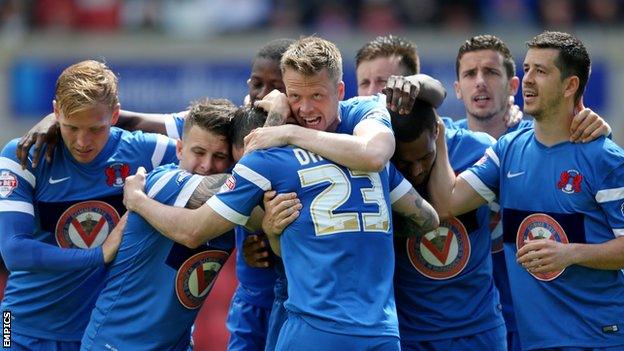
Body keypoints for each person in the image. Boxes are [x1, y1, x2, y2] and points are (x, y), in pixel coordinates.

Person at [122, 105, 439, 350]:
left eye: (220, 157)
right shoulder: (359, 154)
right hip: (356, 323)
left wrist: (136, 200)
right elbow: (427, 219)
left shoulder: (271, 160)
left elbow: (195, 230)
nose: (208, 166)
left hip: (300, 313)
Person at [429, 31, 624, 350]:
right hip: (536, 340)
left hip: (600, 336)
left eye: (542, 71)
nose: (529, 80)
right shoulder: (508, 150)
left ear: (570, 86)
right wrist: (436, 135)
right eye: (528, 69)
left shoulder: (603, 157)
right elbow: (449, 201)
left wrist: (570, 253)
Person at [0, 60, 179, 350]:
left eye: (96, 129)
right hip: (17, 327)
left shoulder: (145, 151)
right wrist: (99, 255)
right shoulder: (25, 154)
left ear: (116, 114)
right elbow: (14, 251)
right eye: (71, 127)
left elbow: (209, 136)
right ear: (56, 111)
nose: (83, 141)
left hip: (97, 336)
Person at [81, 99, 237, 350]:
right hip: (116, 344)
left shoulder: (232, 207)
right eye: (198, 152)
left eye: (219, 156)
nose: (207, 166)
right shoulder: (161, 183)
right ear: (179, 149)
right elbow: (192, 232)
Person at [388, 100, 507, 350]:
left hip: (480, 330)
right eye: (405, 163)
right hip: (412, 334)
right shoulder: (378, 163)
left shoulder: (477, 149)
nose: (417, 169)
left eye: (425, 157)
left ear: (436, 133)